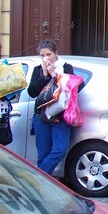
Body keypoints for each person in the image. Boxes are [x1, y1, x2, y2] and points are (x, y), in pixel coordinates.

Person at [27, 39, 75, 174]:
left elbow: (73, 88)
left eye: (48, 54)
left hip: (60, 115)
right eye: (42, 55)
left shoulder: (66, 67)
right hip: (42, 115)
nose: (46, 58)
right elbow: (32, 92)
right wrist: (43, 76)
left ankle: (38, 176)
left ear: (56, 54)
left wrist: (54, 75)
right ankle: (43, 185)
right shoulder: (38, 70)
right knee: (43, 153)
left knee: (59, 150)